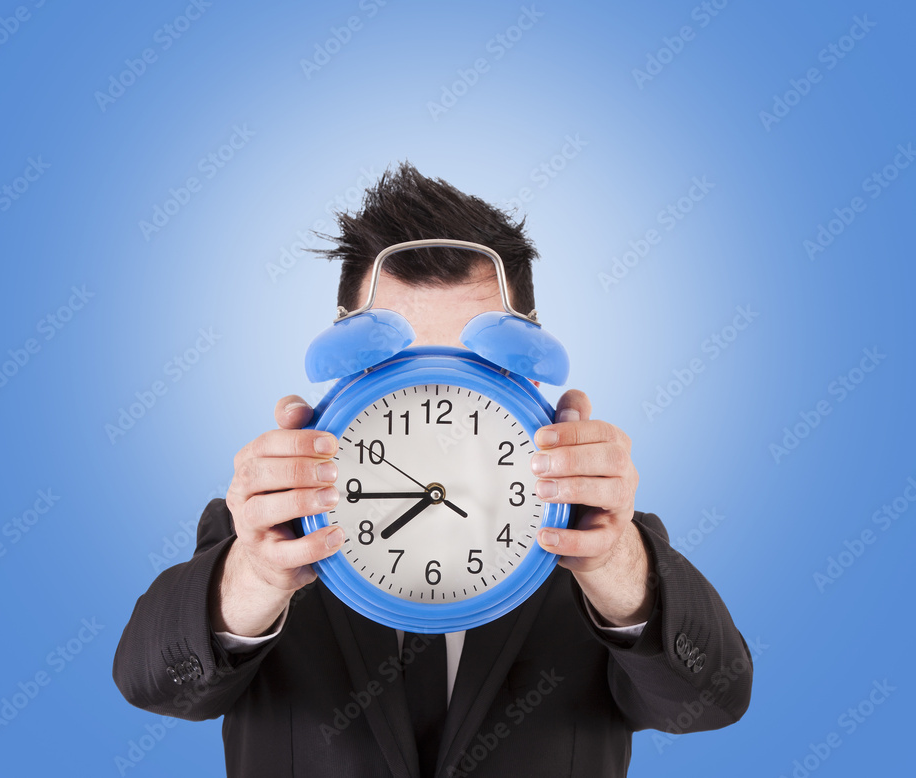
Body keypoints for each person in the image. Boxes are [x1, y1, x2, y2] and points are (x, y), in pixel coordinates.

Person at [113, 162, 753, 777]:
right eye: (396, 366)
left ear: (528, 374)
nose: (434, 395)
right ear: (347, 373)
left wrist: (619, 569)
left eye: (475, 366)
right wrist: (252, 577)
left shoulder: (599, 539)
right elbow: (153, 687)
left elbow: (713, 702)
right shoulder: (265, 532)